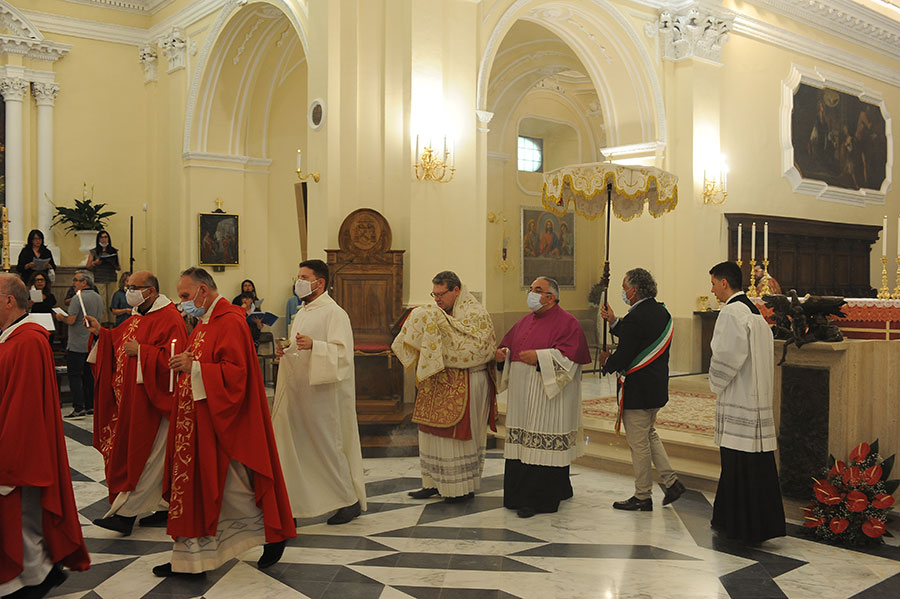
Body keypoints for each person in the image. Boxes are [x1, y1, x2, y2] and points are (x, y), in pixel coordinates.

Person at [156, 267, 295, 577]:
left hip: (221, 424)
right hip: (197, 423)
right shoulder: (205, 321)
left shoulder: (230, 321)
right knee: (213, 490)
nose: (183, 304)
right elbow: (202, 360)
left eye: (185, 296)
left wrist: (194, 367)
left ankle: (272, 531)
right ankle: (189, 557)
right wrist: (186, 365)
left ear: (203, 291)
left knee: (229, 489)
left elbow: (236, 374)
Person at [0, 274, 90, 598]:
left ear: (10, 301)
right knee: (22, 519)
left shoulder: (26, 341)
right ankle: (38, 574)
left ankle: (34, 578)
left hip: (20, 445)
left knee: (21, 516)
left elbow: (22, 404)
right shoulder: (13, 338)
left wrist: (7, 454)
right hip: (15, 441)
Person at [85, 270, 188, 537]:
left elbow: (173, 357)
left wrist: (142, 352)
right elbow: (118, 340)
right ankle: (165, 507)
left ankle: (124, 516)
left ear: (150, 291)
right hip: (134, 400)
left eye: (133, 286)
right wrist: (100, 333)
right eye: (127, 286)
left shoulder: (170, 318)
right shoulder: (138, 315)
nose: (128, 290)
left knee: (148, 460)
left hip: (157, 403)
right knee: (155, 460)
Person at [272, 259, 366, 524]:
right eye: (298, 276)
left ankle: (349, 500)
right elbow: (299, 346)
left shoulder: (334, 313)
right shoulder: (303, 311)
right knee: (305, 448)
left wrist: (316, 345)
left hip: (325, 395)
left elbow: (343, 354)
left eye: (303, 277)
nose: (298, 282)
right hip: (302, 392)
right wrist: (286, 350)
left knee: (328, 446)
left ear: (319, 282)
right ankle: (315, 497)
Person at [393, 270, 497, 503]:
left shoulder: (475, 313)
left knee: (456, 437)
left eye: (441, 294)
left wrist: (443, 338)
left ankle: (460, 487)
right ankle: (432, 482)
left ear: (456, 290)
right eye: (434, 294)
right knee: (431, 433)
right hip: (437, 380)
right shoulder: (438, 312)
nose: (437, 299)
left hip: (466, 380)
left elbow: (479, 348)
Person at [495, 277, 591, 517]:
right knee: (522, 443)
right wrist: (503, 355)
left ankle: (537, 500)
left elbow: (570, 360)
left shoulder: (568, 323)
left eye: (538, 290)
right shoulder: (524, 321)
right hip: (521, 396)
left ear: (551, 297)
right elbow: (510, 348)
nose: (532, 294)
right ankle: (517, 495)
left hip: (548, 398)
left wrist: (540, 357)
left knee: (541, 441)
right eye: (531, 289)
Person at [708, 261, 785, 544]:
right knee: (754, 466)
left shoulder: (731, 312)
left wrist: (714, 380)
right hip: (756, 400)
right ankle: (758, 525)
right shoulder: (756, 314)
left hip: (739, 398)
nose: (713, 290)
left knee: (737, 463)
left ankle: (738, 525)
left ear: (725, 283)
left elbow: (727, 356)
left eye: (714, 283)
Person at [599, 268, 684, 511]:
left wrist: (607, 362)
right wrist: (614, 321)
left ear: (634, 290)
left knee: (639, 444)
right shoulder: (661, 312)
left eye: (624, 288)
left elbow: (626, 352)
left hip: (637, 390)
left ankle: (643, 495)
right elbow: (637, 336)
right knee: (649, 435)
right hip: (655, 388)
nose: (623, 292)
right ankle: (672, 482)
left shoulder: (636, 317)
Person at [54, 270, 106, 418]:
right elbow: (101, 317)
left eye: (76, 280)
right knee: (89, 376)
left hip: (77, 343)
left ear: (84, 283)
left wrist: (60, 317)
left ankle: (78, 407)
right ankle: (90, 405)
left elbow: (71, 320)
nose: (73, 283)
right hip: (91, 343)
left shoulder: (78, 298)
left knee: (75, 376)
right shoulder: (98, 297)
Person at [85, 230, 121, 308]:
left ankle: (112, 320)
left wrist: (113, 262)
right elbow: (88, 266)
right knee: (102, 301)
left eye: (105, 237)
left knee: (112, 301)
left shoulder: (113, 251)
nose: (103, 239)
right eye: (101, 238)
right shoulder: (94, 251)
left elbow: (118, 268)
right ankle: (103, 320)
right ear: (98, 239)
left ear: (108, 239)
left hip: (111, 278)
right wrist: (95, 263)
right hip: (100, 278)